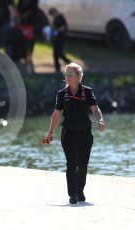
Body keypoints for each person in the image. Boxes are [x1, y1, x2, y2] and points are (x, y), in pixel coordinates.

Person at [44, 62, 105, 204]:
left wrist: (100, 120)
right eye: (66, 74)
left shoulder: (87, 92)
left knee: (83, 164)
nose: (67, 77)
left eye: (70, 74)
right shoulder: (61, 94)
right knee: (72, 164)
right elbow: (57, 114)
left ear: (79, 77)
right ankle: (72, 195)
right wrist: (50, 132)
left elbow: (95, 109)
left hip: (85, 133)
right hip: (68, 133)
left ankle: (79, 191)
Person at [48, 8, 71, 73]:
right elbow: (54, 27)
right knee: (55, 54)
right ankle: (57, 69)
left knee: (59, 53)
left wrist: (56, 29)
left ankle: (69, 63)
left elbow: (63, 28)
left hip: (61, 38)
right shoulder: (55, 19)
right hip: (56, 38)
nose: (52, 16)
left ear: (55, 12)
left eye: (52, 14)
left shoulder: (61, 18)